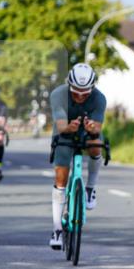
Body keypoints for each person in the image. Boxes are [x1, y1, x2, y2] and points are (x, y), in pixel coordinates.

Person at [48, 63, 106, 250]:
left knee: (96, 145)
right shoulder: (58, 94)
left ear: (92, 88)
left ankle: (90, 188)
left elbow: (98, 127)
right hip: (64, 132)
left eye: (85, 93)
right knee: (61, 178)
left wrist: (92, 128)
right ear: (69, 85)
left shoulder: (99, 98)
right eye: (76, 92)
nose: (80, 96)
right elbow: (61, 124)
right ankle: (57, 229)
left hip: (86, 132)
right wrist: (68, 127)